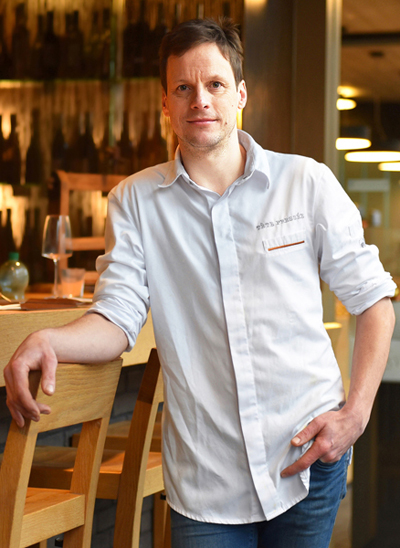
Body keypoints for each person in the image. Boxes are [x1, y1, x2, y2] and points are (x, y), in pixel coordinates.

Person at [5, 18, 396, 548]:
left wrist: (356, 414)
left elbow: (374, 302)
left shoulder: (306, 183)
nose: (200, 100)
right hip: (206, 479)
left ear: (240, 94)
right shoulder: (134, 202)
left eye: (214, 84)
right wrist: (47, 339)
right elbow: (117, 320)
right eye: (183, 88)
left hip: (308, 459)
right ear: (165, 104)